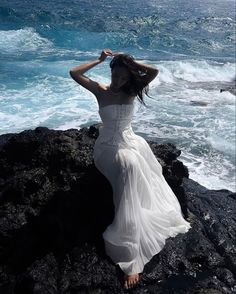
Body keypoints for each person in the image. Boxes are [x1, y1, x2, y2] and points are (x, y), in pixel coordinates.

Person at [69, 49, 191, 289]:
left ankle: (135, 228)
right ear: (111, 72)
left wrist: (131, 62)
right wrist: (100, 60)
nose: (119, 82)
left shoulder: (131, 90)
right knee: (130, 166)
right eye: (116, 76)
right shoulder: (100, 90)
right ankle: (131, 256)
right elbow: (74, 72)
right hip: (107, 149)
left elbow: (154, 71)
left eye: (124, 78)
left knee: (140, 165)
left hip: (131, 141)